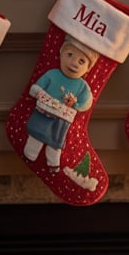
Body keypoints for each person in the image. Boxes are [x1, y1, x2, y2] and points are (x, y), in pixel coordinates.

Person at [24, 36, 97, 168]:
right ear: (61, 54)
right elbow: (35, 89)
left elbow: (86, 103)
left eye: (81, 61)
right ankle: (30, 154)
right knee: (37, 134)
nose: (74, 63)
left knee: (55, 142)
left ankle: (53, 163)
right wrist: (40, 94)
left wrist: (75, 104)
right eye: (69, 55)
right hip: (43, 112)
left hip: (62, 119)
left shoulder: (82, 86)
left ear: (88, 68)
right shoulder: (52, 74)